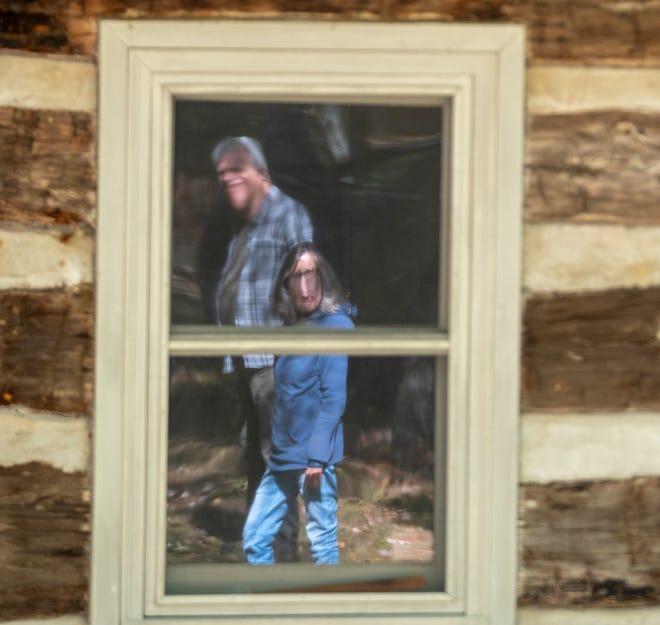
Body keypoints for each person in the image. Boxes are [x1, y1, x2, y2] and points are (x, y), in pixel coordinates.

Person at [242, 242, 354, 564]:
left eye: (310, 275)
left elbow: (333, 399)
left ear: (324, 278)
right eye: (295, 278)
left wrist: (317, 459)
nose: (304, 288)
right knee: (255, 539)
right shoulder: (291, 329)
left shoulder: (335, 328)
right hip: (283, 458)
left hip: (313, 462)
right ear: (285, 285)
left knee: (322, 544)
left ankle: (328, 613)